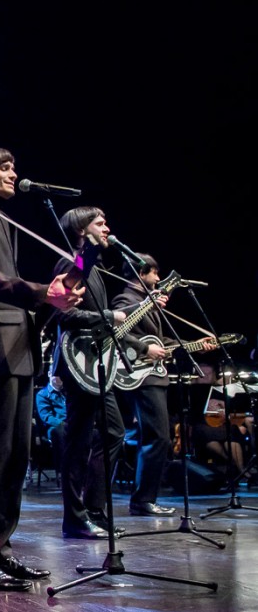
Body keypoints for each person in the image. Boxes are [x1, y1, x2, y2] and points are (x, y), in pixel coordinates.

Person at [0, 147, 84, 591]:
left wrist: (61, 287)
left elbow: (14, 285)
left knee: (16, 457)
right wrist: (44, 292)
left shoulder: (0, 216)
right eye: (4, 167)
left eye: (13, 167)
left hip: (18, 347)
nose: (13, 173)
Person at [50, 207, 141, 538]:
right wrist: (107, 317)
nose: (107, 228)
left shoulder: (94, 267)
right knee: (79, 441)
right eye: (99, 223)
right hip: (78, 366)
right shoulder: (72, 264)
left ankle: (93, 508)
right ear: (80, 230)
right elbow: (63, 315)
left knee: (114, 432)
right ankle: (74, 519)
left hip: (96, 365)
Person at [112, 254, 212, 516]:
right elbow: (119, 333)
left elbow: (159, 341)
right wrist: (145, 348)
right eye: (154, 273)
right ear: (141, 273)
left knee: (158, 436)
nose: (158, 278)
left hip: (153, 376)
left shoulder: (148, 302)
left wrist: (195, 346)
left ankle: (145, 498)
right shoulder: (126, 300)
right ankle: (143, 500)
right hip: (141, 375)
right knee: (157, 436)